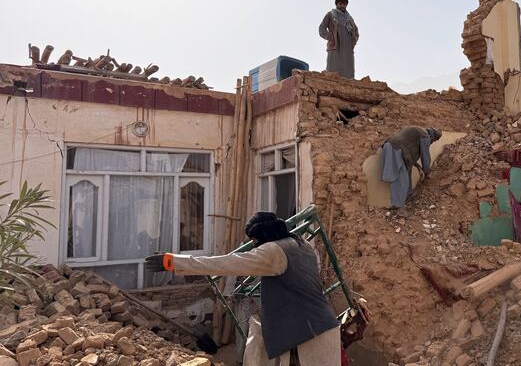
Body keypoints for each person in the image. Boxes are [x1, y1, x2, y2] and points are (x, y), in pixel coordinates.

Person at [144, 212, 340, 366]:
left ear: (263, 236)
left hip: (308, 335)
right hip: (321, 328)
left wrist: (174, 261)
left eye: (254, 240)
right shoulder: (301, 243)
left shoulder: (273, 251)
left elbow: (226, 263)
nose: (253, 244)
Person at [381, 126, 442, 208]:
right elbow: (425, 157)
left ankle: (408, 195)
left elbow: (410, 153)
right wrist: (427, 172)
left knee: (407, 170)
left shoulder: (417, 131)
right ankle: (397, 207)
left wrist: (418, 167)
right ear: (433, 137)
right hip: (397, 150)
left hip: (389, 146)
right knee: (401, 179)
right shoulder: (425, 136)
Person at [318, 0, 359, 79]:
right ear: (336, 4)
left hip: (348, 49)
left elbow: (356, 31)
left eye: (344, 4)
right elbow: (321, 28)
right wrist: (330, 37)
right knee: (332, 73)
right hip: (335, 46)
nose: (342, 6)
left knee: (348, 75)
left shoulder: (350, 19)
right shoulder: (330, 15)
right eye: (340, 4)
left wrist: (353, 41)